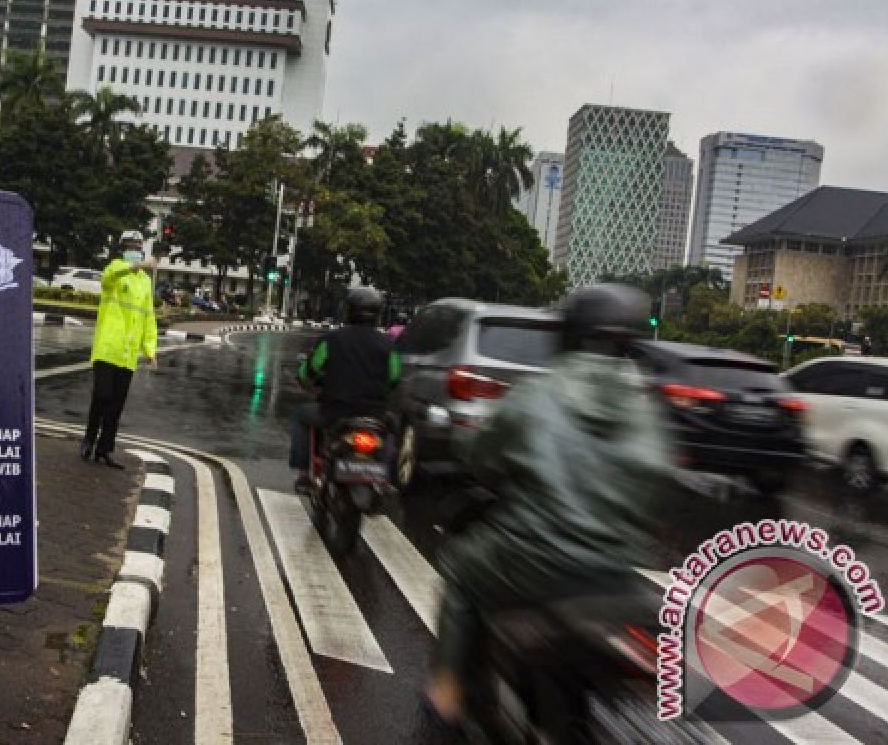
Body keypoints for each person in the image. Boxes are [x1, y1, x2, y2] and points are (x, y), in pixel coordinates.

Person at [425, 283, 679, 726]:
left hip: (528, 557)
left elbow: (483, 457)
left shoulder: (538, 393)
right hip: (613, 571)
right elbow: (659, 482)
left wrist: (466, 448)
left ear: (570, 334)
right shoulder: (645, 409)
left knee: (460, 572)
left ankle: (447, 688)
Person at [291, 287, 402, 487]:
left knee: (301, 415)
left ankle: (304, 474)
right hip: (375, 416)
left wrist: (305, 382)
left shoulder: (332, 340)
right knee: (394, 431)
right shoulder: (388, 346)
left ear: (349, 311)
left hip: (334, 413)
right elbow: (395, 378)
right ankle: (388, 481)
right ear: (377, 314)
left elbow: (308, 372)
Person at [81, 230, 158, 469]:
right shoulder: (114, 270)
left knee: (116, 403)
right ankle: (89, 439)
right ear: (122, 248)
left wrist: (150, 350)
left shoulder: (145, 281)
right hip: (107, 347)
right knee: (102, 395)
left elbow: (148, 317)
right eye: (130, 245)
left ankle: (105, 449)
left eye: (137, 245)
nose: (134, 249)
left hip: (128, 354)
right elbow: (109, 277)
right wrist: (133, 266)